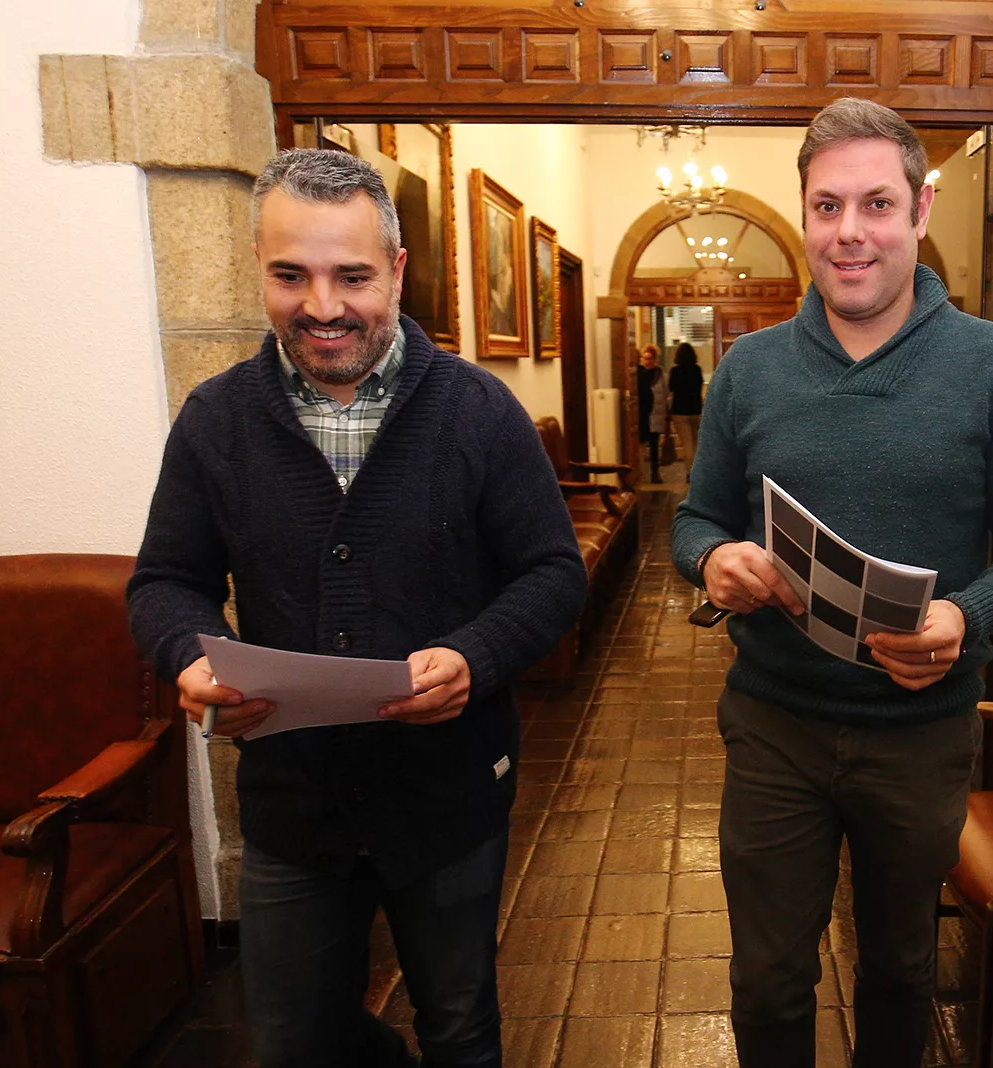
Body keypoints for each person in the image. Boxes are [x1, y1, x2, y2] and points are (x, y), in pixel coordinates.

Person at [127, 149, 587, 1068]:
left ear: (398, 270)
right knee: (295, 1041)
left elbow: (551, 573)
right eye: (290, 275)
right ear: (257, 267)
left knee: (460, 1029)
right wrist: (191, 656)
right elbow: (164, 581)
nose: (323, 305)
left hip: (447, 794)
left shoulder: (478, 411)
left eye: (352, 276)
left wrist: (475, 656)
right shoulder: (216, 420)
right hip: (293, 804)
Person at [671, 99, 993, 1068]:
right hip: (774, 726)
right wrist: (713, 561)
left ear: (920, 210)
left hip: (921, 734)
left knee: (899, 968)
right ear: (805, 214)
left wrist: (965, 614)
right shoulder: (749, 371)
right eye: (827, 206)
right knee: (768, 977)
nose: (849, 232)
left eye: (877, 204)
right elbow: (695, 520)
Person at [667, 341, 705, 478]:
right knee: (698, 443)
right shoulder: (697, 370)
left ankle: (691, 472)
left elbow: (671, 388)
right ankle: (700, 471)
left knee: (687, 444)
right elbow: (699, 386)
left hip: (679, 411)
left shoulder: (675, 371)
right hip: (696, 409)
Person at [636, 342, 668, 482]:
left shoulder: (661, 375)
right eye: (645, 358)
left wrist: (666, 413)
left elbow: (666, 394)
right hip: (642, 415)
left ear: (655, 359)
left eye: (650, 358)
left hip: (656, 414)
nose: (647, 361)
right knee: (642, 445)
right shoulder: (639, 375)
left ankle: (655, 472)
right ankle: (640, 472)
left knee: (654, 445)